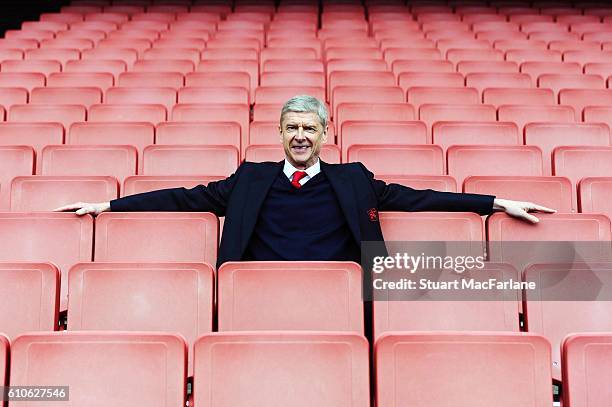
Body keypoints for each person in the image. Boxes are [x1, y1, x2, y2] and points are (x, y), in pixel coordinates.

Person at [55, 95, 555, 269]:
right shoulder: (249, 180)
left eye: (308, 128)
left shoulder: (354, 179)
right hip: (258, 290)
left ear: (324, 134)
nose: (299, 136)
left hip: (340, 293)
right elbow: (182, 199)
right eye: (291, 127)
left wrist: (495, 202)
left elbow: (422, 199)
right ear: (279, 133)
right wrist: (111, 206)